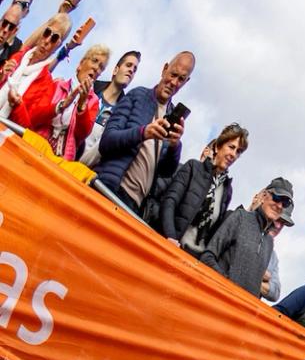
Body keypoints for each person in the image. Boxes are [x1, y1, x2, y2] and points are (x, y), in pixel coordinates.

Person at [94, 51, 195, 210]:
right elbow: (106, 141)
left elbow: (165, 171)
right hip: (109, 189)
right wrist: (143, 133)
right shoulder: (137, 95)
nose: (174, 82)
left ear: (186, 82)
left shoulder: (172, 115)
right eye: (173, 74)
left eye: (181, 79)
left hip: (134, 206)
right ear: (165, 69)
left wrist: (175, 147)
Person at [150, 123, 245, 251]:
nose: (234, 154)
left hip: (194, 259)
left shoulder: (227, 190)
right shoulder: (193, 167)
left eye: (238, 151)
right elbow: (169, 201)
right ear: (217, 147)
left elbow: (214, 231)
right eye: (231, 147)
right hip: (171, 245)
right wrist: (170, 237)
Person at [198, 176, 290, 294]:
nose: (279, 205)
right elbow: (207, 256)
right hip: (217, 299)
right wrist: (226, 286)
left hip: (241, 310)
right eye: (277, 198)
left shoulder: (269, 243)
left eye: (285, 203)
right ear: (263, 196)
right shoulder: (240, 217)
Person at [15, 42, 105, 161]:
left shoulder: (93, 102)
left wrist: (81, 106)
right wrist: (62, 105)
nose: (96, 68)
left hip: (61, 159)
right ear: (80, 64)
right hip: (35, 146)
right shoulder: (57, 85)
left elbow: (81, 135)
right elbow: (35, 117)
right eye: (94, 61)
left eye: (101, 67)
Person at [0, 12, 69, 118]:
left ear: (58, 46)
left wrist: (16, 105)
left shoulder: (47, 84)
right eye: (47, 32)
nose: (47, 41)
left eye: (54, 38)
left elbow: (29, 126)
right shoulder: (18, 57)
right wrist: (1, 75)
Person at [78, 48, 138, 162]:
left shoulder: (123, 114)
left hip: (84, 168)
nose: (131, 71)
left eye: (134, 70)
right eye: (128, 65)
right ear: (115, 70)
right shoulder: (91, 88)